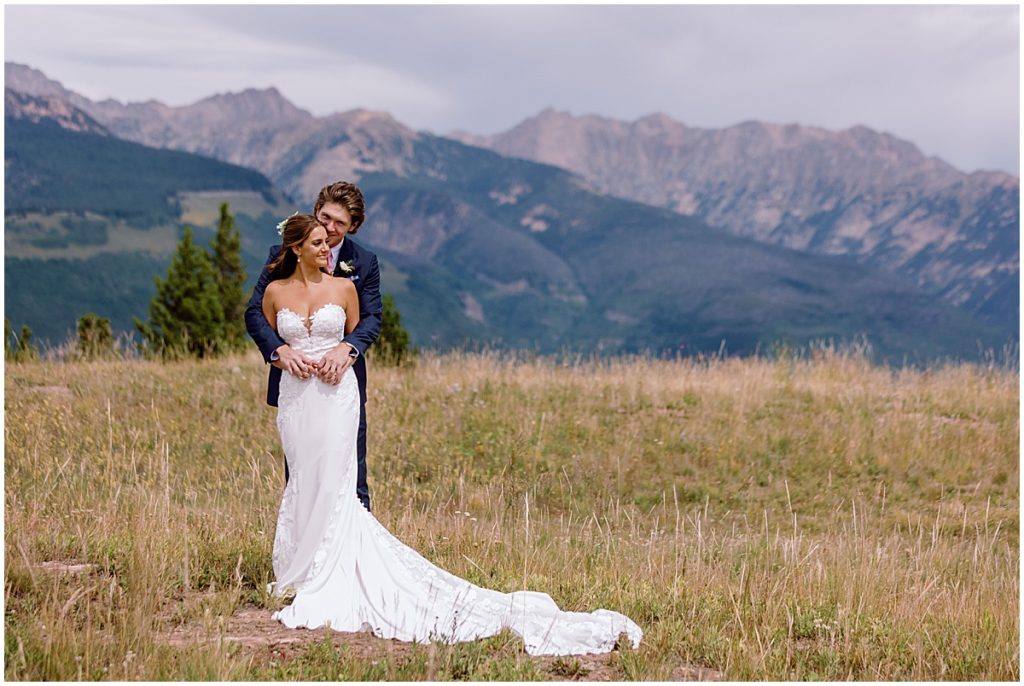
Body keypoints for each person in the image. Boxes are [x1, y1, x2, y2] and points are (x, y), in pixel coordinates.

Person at [260, 214, 642, 656]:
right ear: (295, 249)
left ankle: (329, 569)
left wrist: (344, 354)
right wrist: (283, 356)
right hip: (296, 399)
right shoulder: (274, 293)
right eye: (319, 243)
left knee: (334, 480)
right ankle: (299, 567)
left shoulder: (344, 289)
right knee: (304, 475)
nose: (328, 249)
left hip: (335, 397)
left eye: (329, 242)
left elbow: (359, 332)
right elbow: (270, 338)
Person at [245, 181, 381, 510]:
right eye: (326, 217)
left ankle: (352, 552)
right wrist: (279, 351)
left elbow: (373, 318)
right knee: (301, 474)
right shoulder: (282, 254)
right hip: (296, 382)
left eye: (340, 224)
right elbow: (255, 313)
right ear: (316, 211)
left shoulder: (363, 262)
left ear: (354, 227)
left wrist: (348, 348)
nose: (331, 229)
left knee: (350, 473)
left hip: (341, 383)